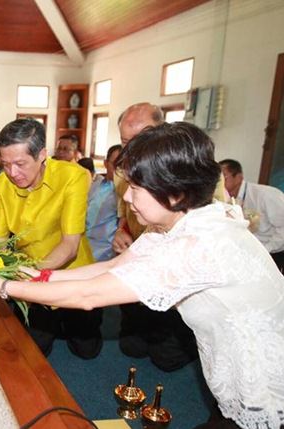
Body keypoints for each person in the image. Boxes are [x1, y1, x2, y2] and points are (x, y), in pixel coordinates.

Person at [0, 122, 284, 429]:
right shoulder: (182, 224)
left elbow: (89, 296)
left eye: (137, 188)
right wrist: (33, 275)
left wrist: (3, 285)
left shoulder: (198, 245)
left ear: (175, 193)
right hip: (234, 365)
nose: (125, 197)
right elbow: (111, 267)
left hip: (265, 379)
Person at [0, 118, 101, 359]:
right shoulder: (0, 185)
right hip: (30, 272)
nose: (12, 173)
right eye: (5, 164)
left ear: (42, 154)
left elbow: (70, 246)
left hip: (71, 271)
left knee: (86, 351)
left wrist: (29, 276)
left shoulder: (72, 176)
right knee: (32, 350)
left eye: (20, 163)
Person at [111, 102, 200, 371]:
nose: (133, 150)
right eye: (126, 142)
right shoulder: (122, 172)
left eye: (141, 140)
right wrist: (121, 231)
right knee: (131, 346)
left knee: (167, 359)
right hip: (141, 254)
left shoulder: (192, 171)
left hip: (178, 268)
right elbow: (125, 214)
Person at [220, 159, 284, 272]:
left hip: (272, 252)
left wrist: (266, 250)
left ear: (238, 177)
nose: (220, 182)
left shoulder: (266, 195)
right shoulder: (225, 199)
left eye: (224, 177)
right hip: (248, 251)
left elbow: (282, 228)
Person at [85, 145, 121, 263]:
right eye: (114, 164)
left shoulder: (124, 193)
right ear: (105, 163)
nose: (118, 169)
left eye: (122, 165)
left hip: (104, 253)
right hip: (82, 245)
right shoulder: (95, 184)